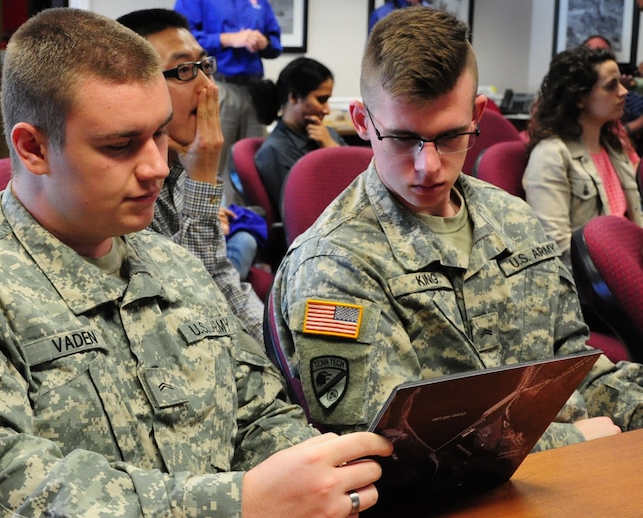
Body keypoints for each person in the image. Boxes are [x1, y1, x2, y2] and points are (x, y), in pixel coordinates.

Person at [0, 8, 393, 516]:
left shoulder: (175, 266)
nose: (158, 167)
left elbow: (257, 412)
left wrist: (322, 478)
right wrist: (237, 507)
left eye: (160, 133)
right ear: (32, 149)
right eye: (121, 145)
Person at [271, 6, 643, 456]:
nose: (428, 166)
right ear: (363, 122)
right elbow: (388, 450)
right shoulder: (333, 263)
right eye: (404, 138)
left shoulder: (514, 220)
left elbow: (575, 369)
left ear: (477, 114)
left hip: (570, 478)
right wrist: (578, 439)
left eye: (450, 136)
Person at [117, 8, 264, 340]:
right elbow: (192, 306)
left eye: (204, 66)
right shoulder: (120, 184)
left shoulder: (180, 160)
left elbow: (222, 281)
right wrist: (202, 179)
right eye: (184, 70)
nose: (208, 87)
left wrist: (282, 358)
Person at [524, 45, 643, 270]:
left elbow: (634, 222)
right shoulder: (551, 156)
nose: (623, 92)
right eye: (611, 86)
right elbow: (556, 250)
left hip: (630, 265)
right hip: (597, 284)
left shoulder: (614, 148)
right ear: (579, 98)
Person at [174, 0, 282, 207]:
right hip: (218, 84)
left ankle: (247, 225)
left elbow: (275, 43)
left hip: (254, 89)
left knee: (253, 164)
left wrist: (264, 41)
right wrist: (227, 39)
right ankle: (208, 220)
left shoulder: (261, 2)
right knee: (212, 161)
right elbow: (182, 39)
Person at [252, 56, 346, 220]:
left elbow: (367, 184)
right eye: (321, 100)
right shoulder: (274, 151)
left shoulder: (328, 134)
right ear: (293, 97)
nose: (327, 110)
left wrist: (332, 148)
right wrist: (333, 156)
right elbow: (301, 213)